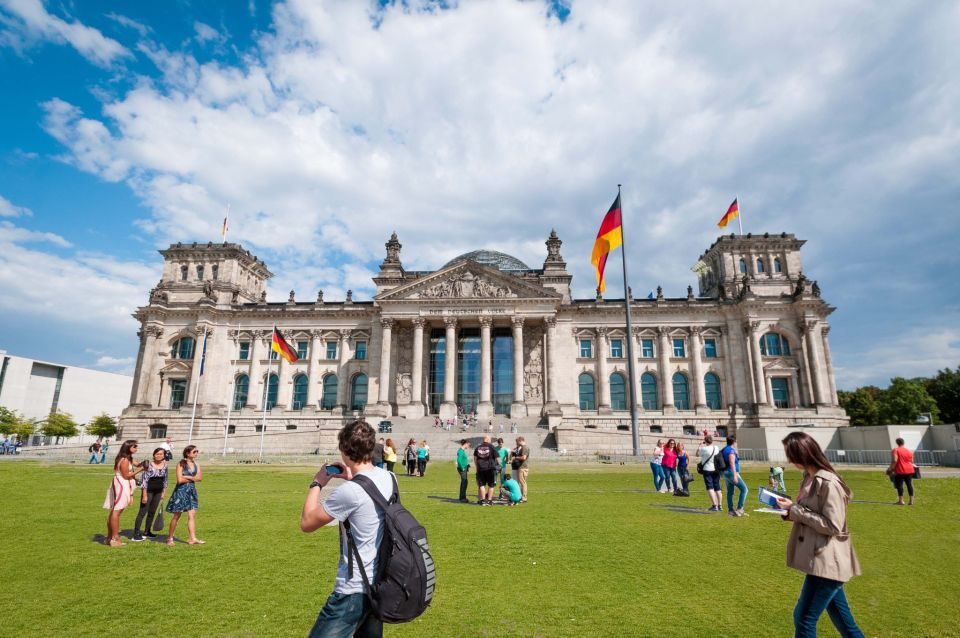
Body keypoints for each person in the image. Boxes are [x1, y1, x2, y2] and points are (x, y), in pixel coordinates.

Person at [300, 420, 393, 638]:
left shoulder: (350, 492)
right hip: (378, 585)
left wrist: (317, 482)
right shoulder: (390, 478)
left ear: (343, 450)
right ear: (371, 447)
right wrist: (353, 477)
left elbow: (307, 523)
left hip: (353, 590)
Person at [774, 432, 864, 638]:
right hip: (820, 558)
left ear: (804, 454)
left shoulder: (828, 483)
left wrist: (796, 511)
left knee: (804, 618)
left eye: (792, 454)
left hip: (828, 559)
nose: (789, 460)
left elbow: (833, 525)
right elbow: (810, 513)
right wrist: (791, 512)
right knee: (844, 622)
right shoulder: (809, 478)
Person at [102, 440, 143, 547]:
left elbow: (138, 463)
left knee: (115, 511)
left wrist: (147, 463)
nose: (136, 449)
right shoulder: (124, 460)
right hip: (122, 484)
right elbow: (126, 475)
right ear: (128, 447)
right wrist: (141, 470)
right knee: (117, 511)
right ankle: (115, 538)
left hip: (121, 483)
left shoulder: (128, 458)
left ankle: (109, 537)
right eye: (134, 447)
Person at [165, 445, 204, 546]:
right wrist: (192, 477)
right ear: (187, 453)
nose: (196, 453)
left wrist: (187, 476)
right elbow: (180, 480)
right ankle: (170, 538)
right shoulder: (181, 464)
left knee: (192, 515)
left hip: (192, 491)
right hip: (181, 491)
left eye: (197, 451)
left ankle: (193, 538)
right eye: (194, 451)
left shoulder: (197, 464)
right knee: (177, 515)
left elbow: (199, 478)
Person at [133, 447, 168, 541]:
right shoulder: (148, 465)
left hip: (158, 491)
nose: (159, 455)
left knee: (152, 512)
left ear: (164, 455)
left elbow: (165, 480)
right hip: (148, 491)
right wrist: (144, 495)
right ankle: (136, 534)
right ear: (154, 455)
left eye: (161, 454)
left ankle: (147, 531)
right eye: (157, 454)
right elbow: (144, 481)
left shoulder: (165, 465)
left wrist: (163, 492)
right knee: (142, 512)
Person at [722, 435, 748, 517]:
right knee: (744, 489)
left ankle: (730, 511)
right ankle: (740, 508)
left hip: (725, 473)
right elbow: (732, 463)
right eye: (736, 441)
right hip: (731, 473)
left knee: (730, 492)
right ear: (734, 442)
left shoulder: (724, 449)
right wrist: (735, 475)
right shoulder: (731, 451)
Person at [697, 435, 723, 511]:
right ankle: (720, 505)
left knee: (710, 487)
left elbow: (697, 454)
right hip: (716, 469)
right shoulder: (716, 448)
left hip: (707, 469)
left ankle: (714, 505)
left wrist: (699, 446)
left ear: (705, 441)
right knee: (717, 487)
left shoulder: (704, 449)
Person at [888, 438, 916, 506]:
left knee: (899, 485)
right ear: (903, 443)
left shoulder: (895, 450)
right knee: (909, 485)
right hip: (909, 469)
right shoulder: (909, 451)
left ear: (897, 443)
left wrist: (890, 468)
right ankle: (911, 501)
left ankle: (901, 501)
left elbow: (894, 460)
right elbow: (912, 461)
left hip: (900, 470)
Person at [474, 435, 498, 506]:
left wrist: (477, 467)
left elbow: (475, 459)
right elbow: (497, 457)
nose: (490, 441)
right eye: (490, 439)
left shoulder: (478, 447)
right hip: (490, 468)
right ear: (487, 440)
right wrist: (499, 465)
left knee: (481, 485)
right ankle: (489, 500)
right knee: (491, 485)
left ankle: (482, 500)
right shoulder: (492, 447)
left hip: (480, 468)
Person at [511, 436, 530, 503]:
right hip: (523, 467)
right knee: (523, 483)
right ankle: (522, 496)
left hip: (523, 467)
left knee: (523, 483)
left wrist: (516, 457)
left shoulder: (524, 447)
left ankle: (524, 498)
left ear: (520, 441)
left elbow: (524, 457)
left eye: (517, 442)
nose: (517, 443)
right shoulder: (525, 447)